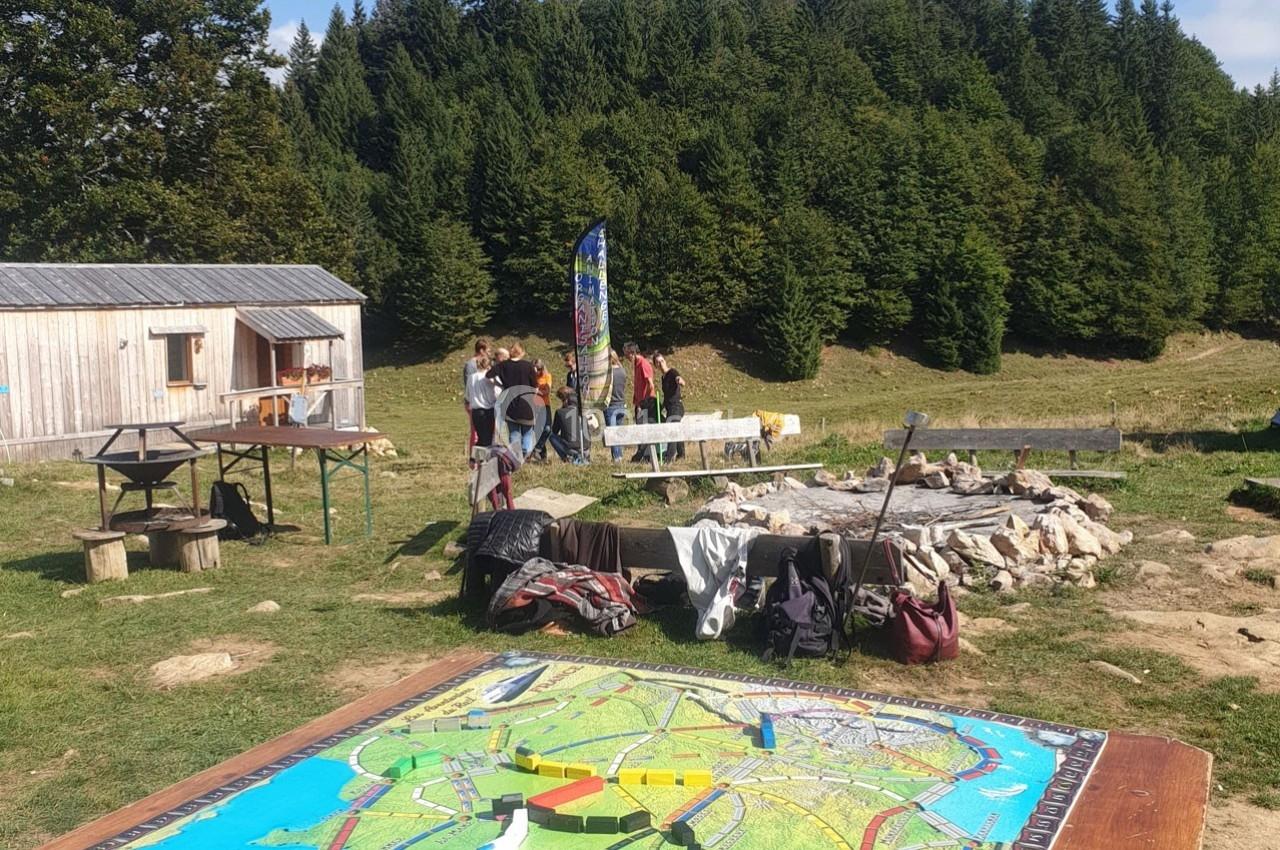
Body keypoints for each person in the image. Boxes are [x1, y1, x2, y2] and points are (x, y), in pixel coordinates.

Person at [487, 343, 539, 457]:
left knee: (514, 433)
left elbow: (488, 375)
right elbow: (535, 386)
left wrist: (499, 384)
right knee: (528, 433)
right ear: (522, 352)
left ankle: (515, 456)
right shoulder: (528, 366)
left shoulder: (503, 365)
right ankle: (525, 455)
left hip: (510, 404)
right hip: (527, 404)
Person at [624, 342, 656, 463]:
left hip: (645, 404)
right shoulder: (636, 364)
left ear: (632, 353)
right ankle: (642, 455)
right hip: (639, 403)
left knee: (643, 430)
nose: (626, 357)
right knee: (640, 429)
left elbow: (650, 385)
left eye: (627, 354)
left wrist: (644, 403)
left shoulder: (643, 364)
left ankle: (641, 456)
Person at [653, 353, 686, 460]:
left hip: (677, 406)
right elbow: (667, 395)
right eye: (658, 362)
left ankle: (669, 456)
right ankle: (681, 454)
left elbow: (678, 378)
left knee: (672, 429)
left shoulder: (672, 372)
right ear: (656, 366)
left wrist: (679, 381)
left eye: (662, 361)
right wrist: (661, 406)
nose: (661, 363)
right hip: (669, 408)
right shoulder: (663, 378)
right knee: (676, 429)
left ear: (665, 361)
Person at [548, 387, 588, 464]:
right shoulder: (582, 412)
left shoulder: (560, 412)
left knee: (551, 436)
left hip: (572, 449)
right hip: (586, 448)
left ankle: (566, 459)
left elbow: (554, 431)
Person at [462, 339, 490, 450]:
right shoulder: (470, 365)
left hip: (482, 401)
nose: (489, 353)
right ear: (481, 350)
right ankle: (473, 458)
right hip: (473, 402)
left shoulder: (485, 363)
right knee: (475, 432)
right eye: (488, 350)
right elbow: (469, 384)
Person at [466, 354, 498, 447]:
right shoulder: (489, 377)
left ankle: (475, 459)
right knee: (487, 440)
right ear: (488, 366)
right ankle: (483, 460)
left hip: (475, 411)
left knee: (480, 438)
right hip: (488, 410)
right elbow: (495, 394)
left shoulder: (471, 377)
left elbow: (468, 395)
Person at [604, 350, 628, 463]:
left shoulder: (608, 373)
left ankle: (617, 457)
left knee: (612, 433)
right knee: (618, 431)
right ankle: (620, 455)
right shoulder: (623, 371)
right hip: (621, 404)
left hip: (611, 405)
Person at [531, 359, 554, 461]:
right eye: (535, 370)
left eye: (539, 369)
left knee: (547, 429)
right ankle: (542, 456)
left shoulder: (547, 376)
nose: (537, 372)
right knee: (538, 430)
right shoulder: (532, 377)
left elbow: (547, 391)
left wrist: (536, 391)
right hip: (535, 406)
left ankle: (538, 448)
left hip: (545, 405)